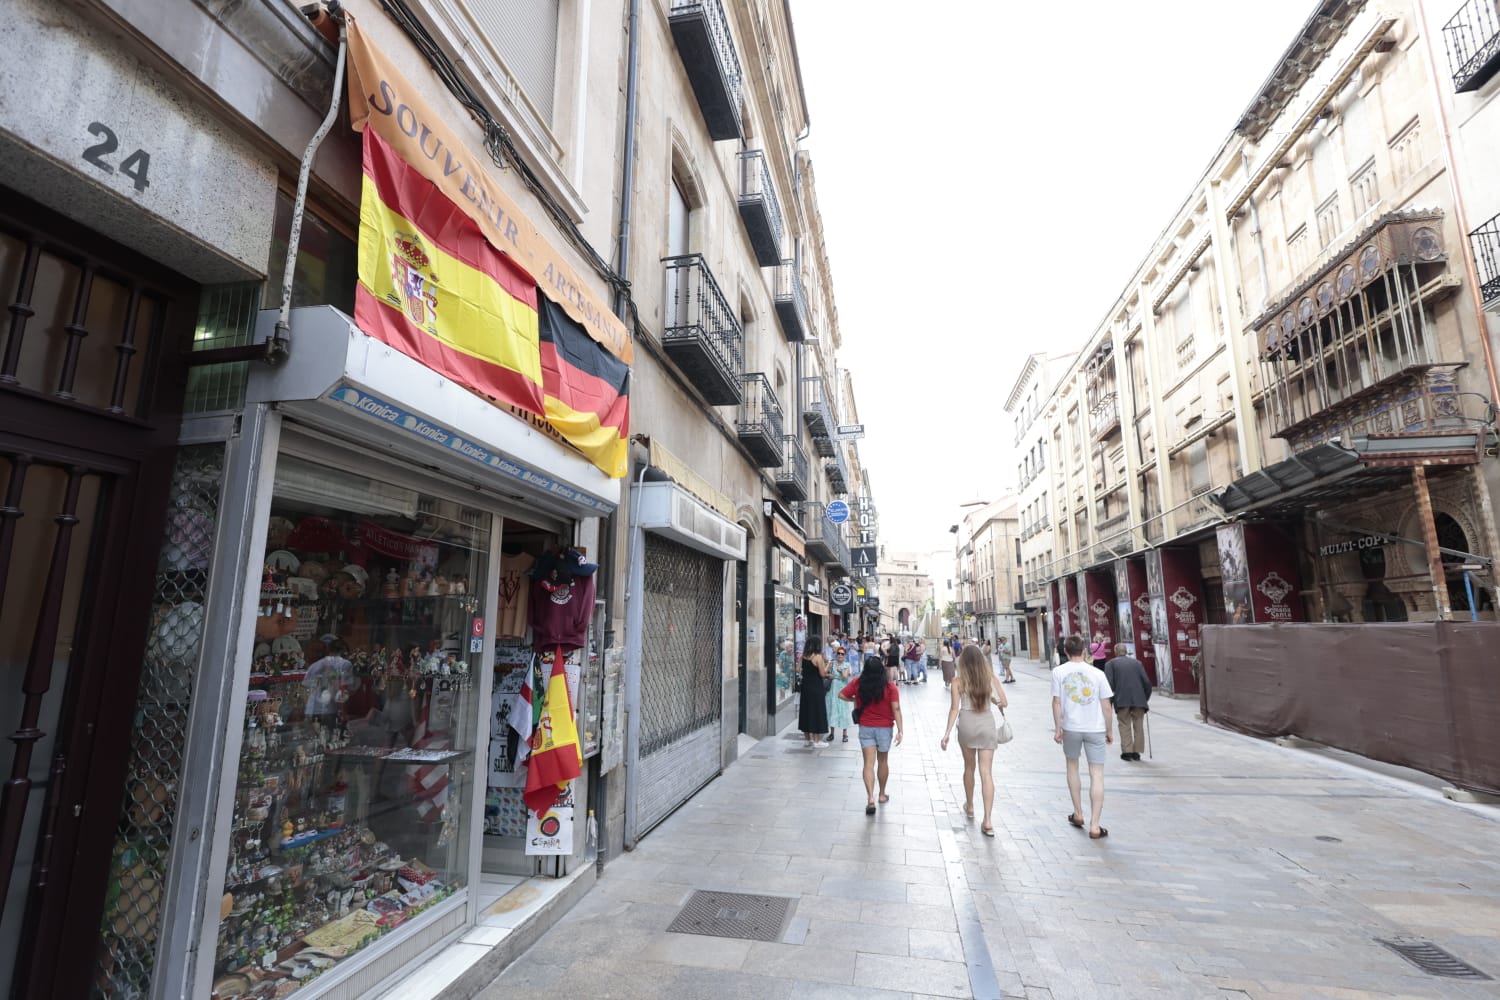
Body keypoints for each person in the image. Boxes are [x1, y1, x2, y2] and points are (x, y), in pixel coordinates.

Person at [940, 645, 1008, 836]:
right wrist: (994, 701)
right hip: (986, 723)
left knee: (969, 767)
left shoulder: (957, 681)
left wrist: (946, 733)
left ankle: (970, 806)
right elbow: (1005, 701)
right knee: (986, 772)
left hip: (967, 723)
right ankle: (987, 820)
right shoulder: (989, 678)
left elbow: (954, 708)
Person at [1053, 635, 1115, 839]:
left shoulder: (1059, 672)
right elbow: (1106, 705)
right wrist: (1109, 730)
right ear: (1085, 650)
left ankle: (1078, 813)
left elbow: (1056, 702)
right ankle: (1095, 825)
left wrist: (1058, 728)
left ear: (1066, 651)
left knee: (1072, 767)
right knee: (1096, 773)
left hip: (1071, 727)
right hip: (1095, 727)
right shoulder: (1097, 673)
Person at [840, 655, 903, 814]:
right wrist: (901, 730)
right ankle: (882, 794)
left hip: (866, 727)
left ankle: (870, 798)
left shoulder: (858, 683)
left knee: (868, 763)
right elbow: (896, 708)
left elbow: (841, 694)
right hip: (884, 728)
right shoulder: (890, 688)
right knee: (883, 761)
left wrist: (855, 699)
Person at [1103, 643, 1152, 761]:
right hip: (1139, 700)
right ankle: (1137, 752)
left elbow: (1108, 684)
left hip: (1122, 699)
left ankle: (1127, 752)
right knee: (1138, 725)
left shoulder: (1111, 664)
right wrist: (1144, 698)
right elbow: (1147, 683)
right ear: (1126, 651)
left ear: (1115, 652)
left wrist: (1109, 701)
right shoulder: (1137, 663)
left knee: (1124, 724)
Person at [798, 636, 831, 747]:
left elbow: (798, 669)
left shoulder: (803, 656)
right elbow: (822, 674)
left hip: (805, 687)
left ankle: (807, 740)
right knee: (817, 711)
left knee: (805, 712)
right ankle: (816, 741)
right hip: (816, 687)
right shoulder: (818, 657)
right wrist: (828, 667)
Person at [826, 645, 854, 742]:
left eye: (842, 654)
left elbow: (844, 678)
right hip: (832, 690)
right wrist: (828, 669)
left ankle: (845, 734)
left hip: (842, 690)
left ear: (845, 655)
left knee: (843, 710)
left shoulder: (847, 665)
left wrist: (840, 671)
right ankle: (832, 733)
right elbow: (824, 673)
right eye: (838, 653)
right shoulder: (832, 663)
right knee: (832, 709)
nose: (840, 655)